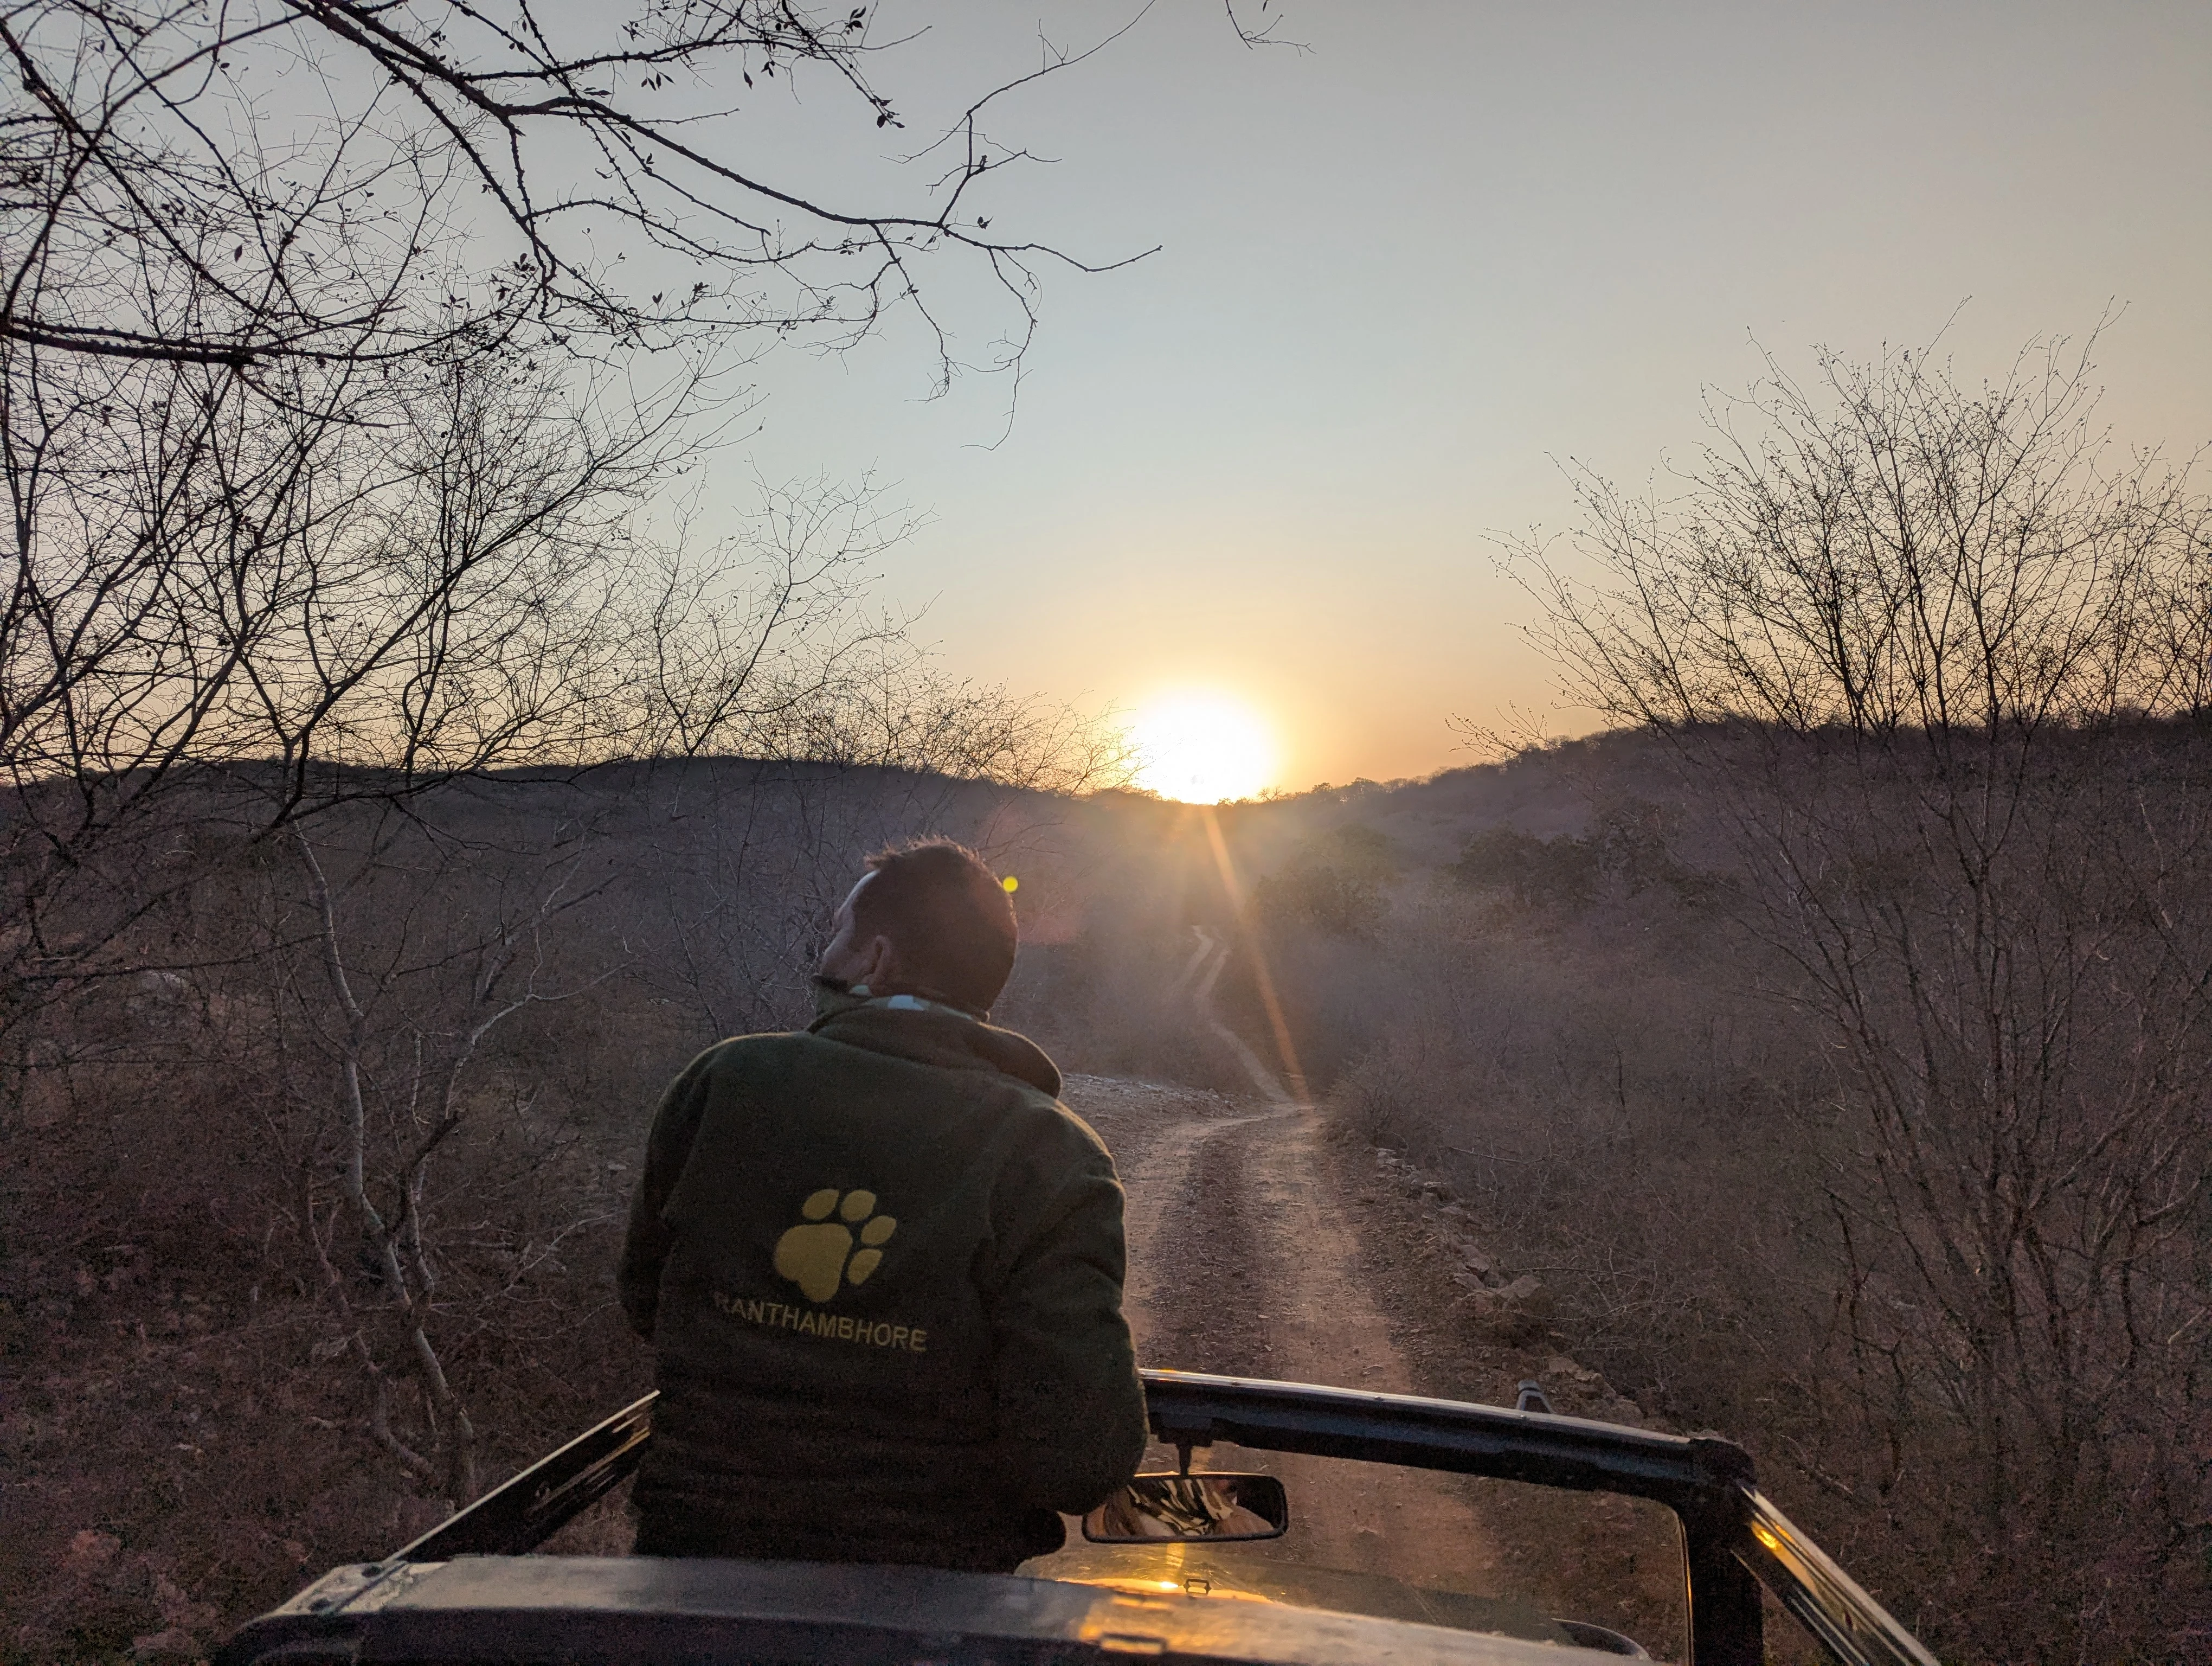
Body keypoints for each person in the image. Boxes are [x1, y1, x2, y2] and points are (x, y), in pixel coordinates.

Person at [618, 838, 1148, 1572]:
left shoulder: (724, 1083)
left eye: (837, 935)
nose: (825, 955)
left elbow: (646, 1302)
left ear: (874, 960)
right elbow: (1078, 1461)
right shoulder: (1052, 1152)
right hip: (933, 1598)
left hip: (696, 1575)